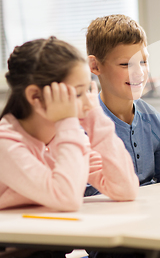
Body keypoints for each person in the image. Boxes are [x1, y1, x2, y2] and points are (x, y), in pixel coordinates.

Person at [0, 37, 138, 212]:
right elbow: (67, 198)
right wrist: (66, 122)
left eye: (87, 90)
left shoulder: (64, 136)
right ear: (36, 96)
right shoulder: (6, 144)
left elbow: (125, 189)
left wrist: (97, 121)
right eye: (79, 94)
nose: (90, 103)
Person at [86, 15, 160, 195]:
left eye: (144, 62)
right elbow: (87, 195)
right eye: (125, 64)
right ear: (95, 66)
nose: (139, 72)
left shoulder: (158, 124)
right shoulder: (82, 127)